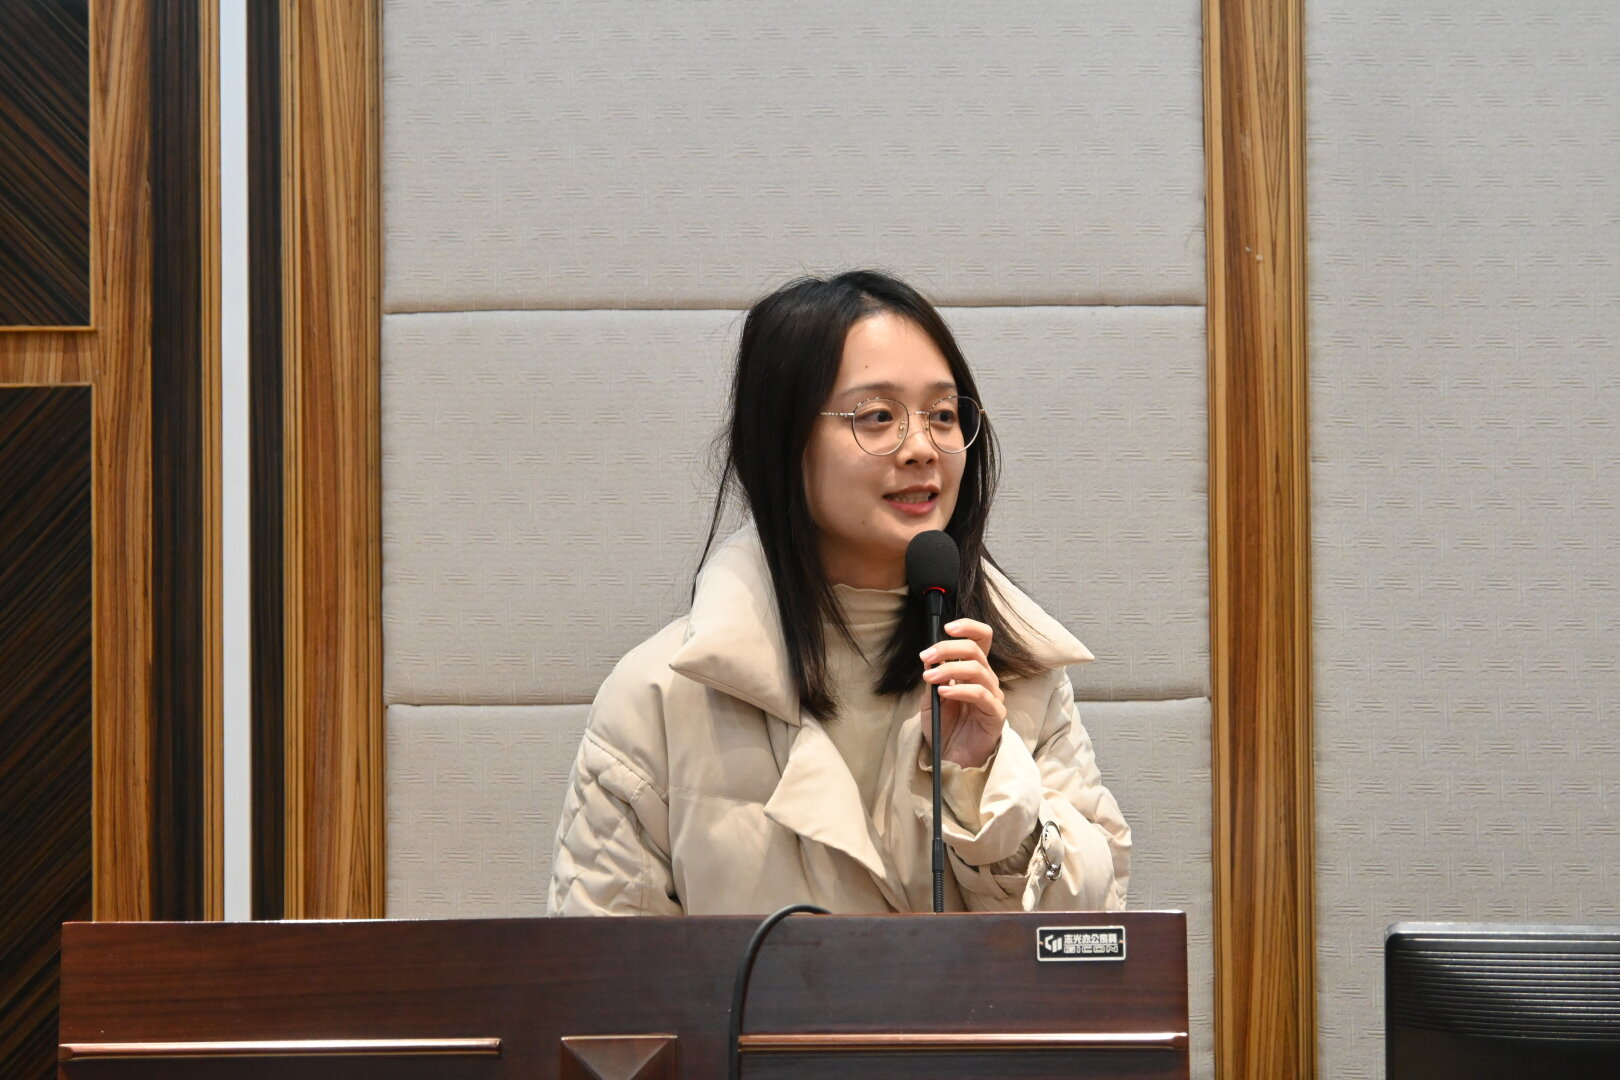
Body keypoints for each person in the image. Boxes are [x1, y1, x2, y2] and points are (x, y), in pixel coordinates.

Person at [547, 270, 1129, 915]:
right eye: (877, 417)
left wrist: (987, 782)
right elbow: (605, 971)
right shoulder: (657, 700)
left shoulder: (1016, 677)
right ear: (783, 442)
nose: (921, 448)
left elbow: (1092, 940)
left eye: (943, 415)